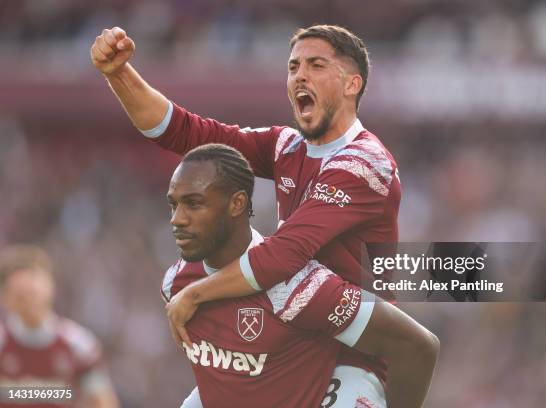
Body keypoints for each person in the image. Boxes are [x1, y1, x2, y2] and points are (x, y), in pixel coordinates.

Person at [91, 24, 404, 401]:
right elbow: (183, 131)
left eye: (316, 65)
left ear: (352, 84)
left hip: (349, 356)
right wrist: (120, 74)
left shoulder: (365, 162)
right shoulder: (286, 146)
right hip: (284, 346)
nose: (300, 74)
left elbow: (283, 255)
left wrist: (197, 293)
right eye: (293, 67)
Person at [163, 144, 438, 407]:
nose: (177, 219)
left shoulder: (295, 287)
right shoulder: (175, 283)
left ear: (236, 204)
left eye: (194, 204)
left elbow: (417, 345)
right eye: (173, 205)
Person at [0, 245, 119, 408]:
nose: (30, 303)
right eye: (21, 296)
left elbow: (103, 401)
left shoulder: (80, 345)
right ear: (7, 299)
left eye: (33, 293)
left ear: (51, 287)